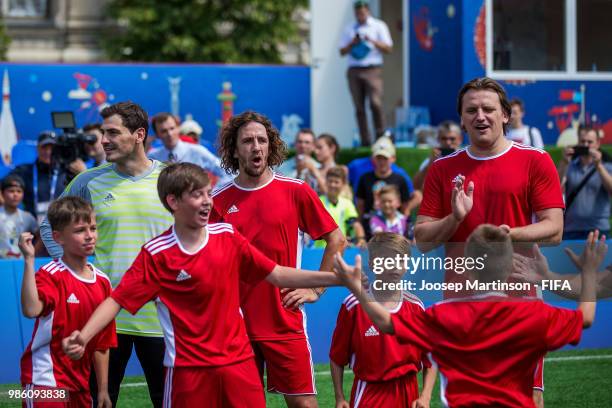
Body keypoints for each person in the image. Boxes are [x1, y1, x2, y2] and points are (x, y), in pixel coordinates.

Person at [61, 163, 344, 408]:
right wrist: (84, 337)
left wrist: (336, 280)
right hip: (188, 373)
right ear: (173, 202)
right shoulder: (157, 254)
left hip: (239, 367)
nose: (208, 201)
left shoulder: (228, 236)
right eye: (197, 195)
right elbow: (117, 300)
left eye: (209, 193)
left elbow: (279, 274)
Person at [414, 78, 565, 406]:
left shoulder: (535, 161)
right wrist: (454, 219)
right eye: (472, 110)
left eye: (488, 109)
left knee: (527, 394)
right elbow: (422, 239)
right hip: (461, 299)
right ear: (462, 119)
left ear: (506, 115)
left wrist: (505, 234)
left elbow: (554, 229)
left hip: (519, 295)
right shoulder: (443, 169)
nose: (480, 116)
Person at [335, 225, 603, 408]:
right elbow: (586, 318)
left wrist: (357, 288)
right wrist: (588, 272)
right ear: (510, 266)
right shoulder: (534, 313)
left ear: (469, 269)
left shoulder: (443, 315)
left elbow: (385, 321)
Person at [41, 101, 174, 408]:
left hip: (162, 318)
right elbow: (50, 224)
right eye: (103, 132)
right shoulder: (89, 180)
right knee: (97, 401)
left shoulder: (171, 179)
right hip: (103, 318)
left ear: (139, 134)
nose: (103, 140)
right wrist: (74, 270)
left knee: (169, 400)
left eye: (113, 132)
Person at [212, 111, 347, 407]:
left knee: (303, 405)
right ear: (234, 150)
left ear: (270, 146)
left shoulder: (295, 190)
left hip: (284, 318)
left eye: (262, 140)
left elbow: (337, 239)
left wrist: (316, 290)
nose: (256, 147)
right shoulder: (218, 200)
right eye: (247, 141)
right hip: (236, 324)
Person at [20, 196, 116, 408]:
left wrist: (102, 389)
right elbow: (31, 309)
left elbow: (102, 343)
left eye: (93, 228)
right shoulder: (51, 274)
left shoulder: (103, 282)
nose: (90, 236)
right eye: (80, 230)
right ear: (58, 237)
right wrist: (29, 260)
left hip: (80, 385)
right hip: (44, 381)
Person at [330, 232, 436, 408]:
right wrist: (340, 397)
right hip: (370, 393)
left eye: (401, 260)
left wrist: (425, 396)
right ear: (373, 264)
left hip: (408, 392)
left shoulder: (416, 306)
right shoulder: (353, 306)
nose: (395, 266)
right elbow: (337, 357)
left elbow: (430, 357)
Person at [339, 0, 393, 146]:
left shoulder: (378, 26)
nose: (360, 15)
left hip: (372, 69)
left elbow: (388, 48)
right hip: (354, 70)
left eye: (362, 12)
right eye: (357, 13)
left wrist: (372, 41)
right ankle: (365, 140)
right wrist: (352, 43)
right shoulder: (349, 28)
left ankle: (381, 137)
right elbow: (342, 51)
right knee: (359, 107)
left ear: (368, 11)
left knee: (375, 103)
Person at [356, 137, 421, 235]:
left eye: (385, 158)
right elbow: (360, 207)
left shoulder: (400, 179)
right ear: (373, 159)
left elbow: (405, 209)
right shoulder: (365, 178)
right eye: (379, 158)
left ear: (393, 159)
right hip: (369, 230)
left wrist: (407, 231)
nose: (381, 162)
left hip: (395, 231)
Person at [556, 127, 612, 240]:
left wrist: (599, 166)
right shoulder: (570, 166)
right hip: (572, 229)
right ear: (578, 142)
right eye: (582, 141)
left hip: (599, 228)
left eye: (590, 142)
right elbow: (555, 186)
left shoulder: (607, 166)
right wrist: (564, 162)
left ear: (597, 144)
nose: (586, 145)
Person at [148, 112, 229, 185]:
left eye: (172, 128)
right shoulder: (152, 157)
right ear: (157, 135)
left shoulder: (197, 151)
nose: (170, 134)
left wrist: (214, 193)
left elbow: (226, 171)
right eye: (164, 131)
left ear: (178, 128)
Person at [10, 131, 68, 223]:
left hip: (62, 229)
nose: (48, 152)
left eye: (52, 148)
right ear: (37, 149)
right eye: (44, 147)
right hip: (32, 229)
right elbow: (3, 187)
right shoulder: (24, 171)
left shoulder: (67, 170)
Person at [316, 166, 366, 248]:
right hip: (319, 250)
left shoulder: (347, 204)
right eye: (330, 181)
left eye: (336, 182)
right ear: (326, 182)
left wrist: (361, 239)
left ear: (343, 184)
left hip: (340, 249)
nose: (333, 185)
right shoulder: (318, 202)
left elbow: (355, 224)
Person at [413, 121, 463, 190]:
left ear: (460, 139)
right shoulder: (433, 159)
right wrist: (430, 165)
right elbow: (416, 186)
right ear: (438, 139)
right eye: (444, 138)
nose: (448, 142)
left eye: (452, 139)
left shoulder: (466, 157)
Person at [0, 174, 38, 258]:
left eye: (19, 191)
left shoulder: (28, 217)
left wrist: (33, 254)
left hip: (21, 265)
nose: (15, 195)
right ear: (2, 193)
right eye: (11, 191)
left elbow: (40, 237)